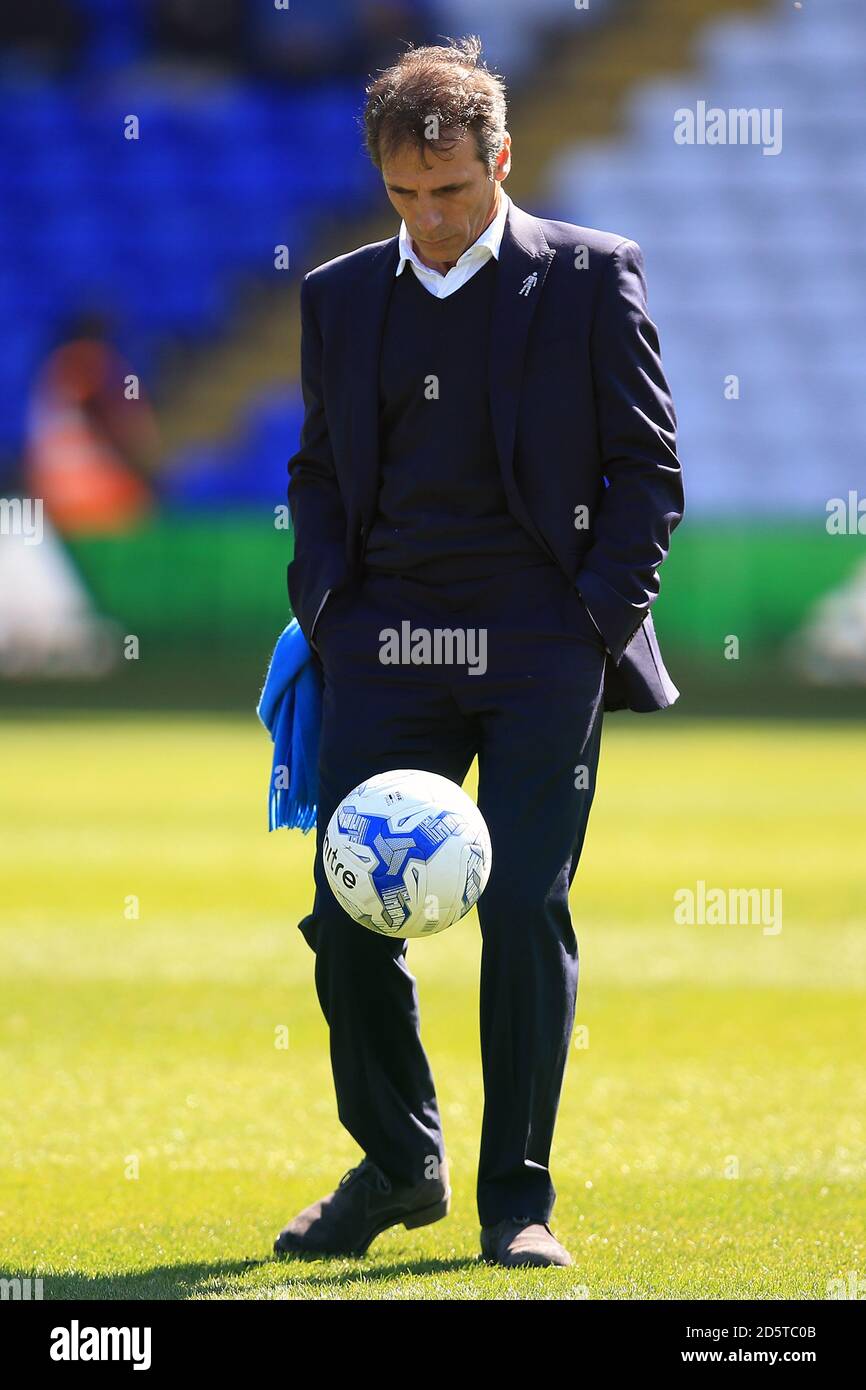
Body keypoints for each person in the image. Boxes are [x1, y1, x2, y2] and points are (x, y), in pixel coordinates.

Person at [275, 36, 683, 1269]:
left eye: (450, 191)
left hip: (541, 645)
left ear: (499, 158)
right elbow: (319, 471)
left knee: (518, 903)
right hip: (385, 645)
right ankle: (398, 1164)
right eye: (404, 196)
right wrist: (331, 614)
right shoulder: (338, 298)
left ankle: (516, 1202)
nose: (430, 219)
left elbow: (647, 474)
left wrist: (588, 626)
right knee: (346, 915)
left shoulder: (589, 277)